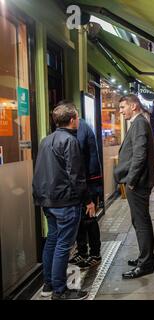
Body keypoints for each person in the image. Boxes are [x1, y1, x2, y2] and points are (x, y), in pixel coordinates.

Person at [32, 101, 94, 300]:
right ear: (73, 119)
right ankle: (60, 291)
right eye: (77, 117)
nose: (78, 120)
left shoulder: (45, 140)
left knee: (52, 240)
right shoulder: (70, 141)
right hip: (66, 202)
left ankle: (48, 285)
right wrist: (88, 200)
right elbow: (76, 174)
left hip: (47, 201)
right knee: (63, 245)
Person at [114, 94, 154, 279]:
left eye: (123, 107)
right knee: (139, 221)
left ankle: (146, 263)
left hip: (138, 183)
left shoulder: (139, 123)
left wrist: (131, 181)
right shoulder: (139, 122)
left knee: (141, 223)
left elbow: (140, 155)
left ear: (133, 106)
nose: (121, 111)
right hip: (138, 182)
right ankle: (145, 258)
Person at [68, 116, 103, 270]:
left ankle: (94, 254)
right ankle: (82, 252)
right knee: (82, 220)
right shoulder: (80, 127)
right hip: (85, 181)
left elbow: (78, 155)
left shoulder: (81, 128)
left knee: (89, 219)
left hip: (88, 181)